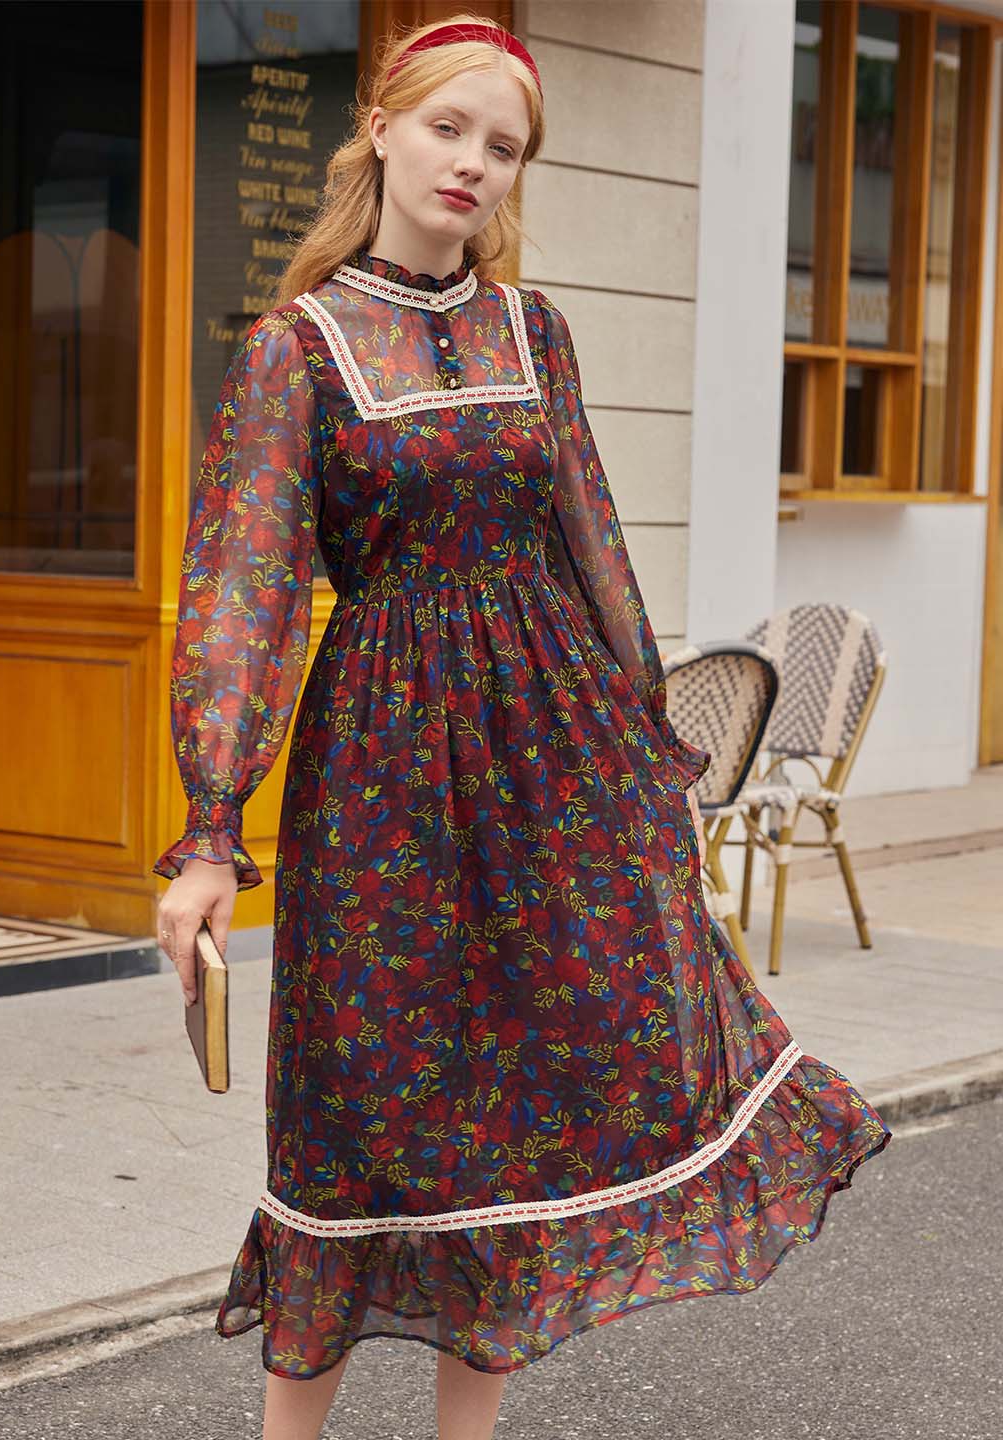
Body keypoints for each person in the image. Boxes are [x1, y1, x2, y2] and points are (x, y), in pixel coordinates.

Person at [153, 13, 892, 1440]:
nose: (473, 164)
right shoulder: (294, 350)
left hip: (552, 768)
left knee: (533, 1113)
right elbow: (243, 592)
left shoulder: (531, 330)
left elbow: (593, 548)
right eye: (449, 129)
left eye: (503, 148)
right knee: (356, 1121)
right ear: (380, 127)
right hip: (380, 778)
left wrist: (652, 758)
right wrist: (207, 834)